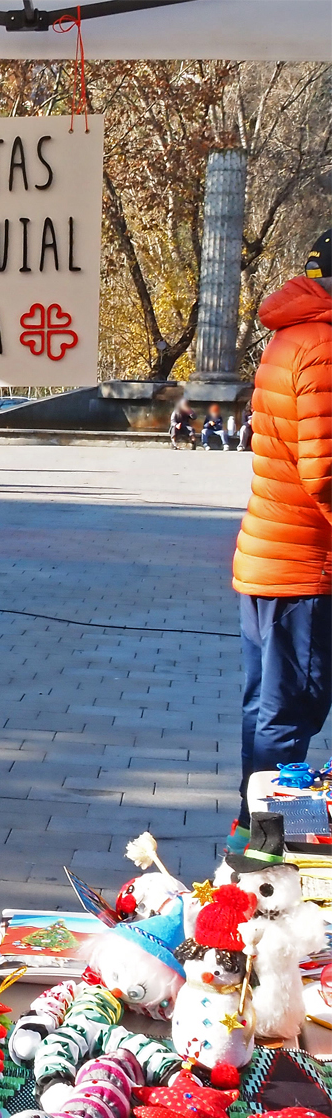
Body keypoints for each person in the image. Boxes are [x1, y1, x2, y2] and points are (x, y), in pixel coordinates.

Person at [230, 228, 332, 823]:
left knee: (266, 707)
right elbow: (325, 470)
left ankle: (250, 831)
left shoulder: (292, 334)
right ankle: (263, 843)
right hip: (304, 565)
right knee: (291, 710)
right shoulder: (323, 345)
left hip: (271, 556)